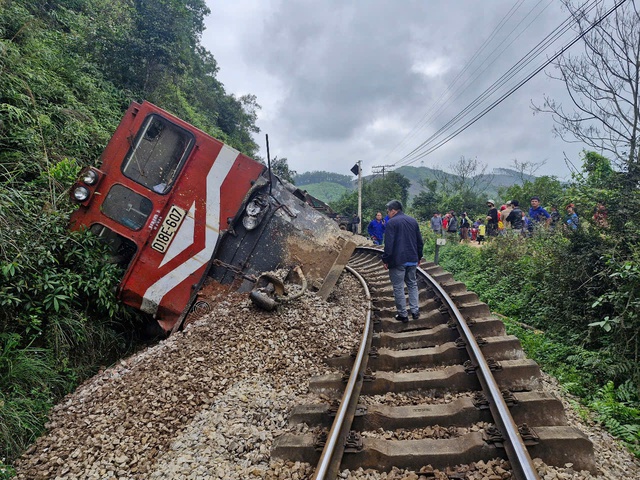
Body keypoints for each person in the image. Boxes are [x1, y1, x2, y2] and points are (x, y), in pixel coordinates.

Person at [382, 200, 424, 323]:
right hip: (412, 259)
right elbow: (419, 242)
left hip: (397, 260)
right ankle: (415, 312)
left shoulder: (392, 223)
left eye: (388, 211)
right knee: (412, 284)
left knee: (399, 287)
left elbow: (388, 245)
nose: (388, 214)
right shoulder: (413, 221)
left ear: (393, 210)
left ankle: (403, 314)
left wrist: (386, 259)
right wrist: (419, 257)